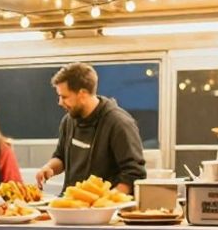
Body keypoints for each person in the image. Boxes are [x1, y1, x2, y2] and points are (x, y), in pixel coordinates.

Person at [35, 62, 146, 192]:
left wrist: (106, 202)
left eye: (64, 97)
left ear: (82, 94)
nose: (60, 102)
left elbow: (134, 174)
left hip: (105, 209)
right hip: (72, 204)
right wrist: (49, 168)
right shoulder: (69, 121)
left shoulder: (119, 123)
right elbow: (61, 157)